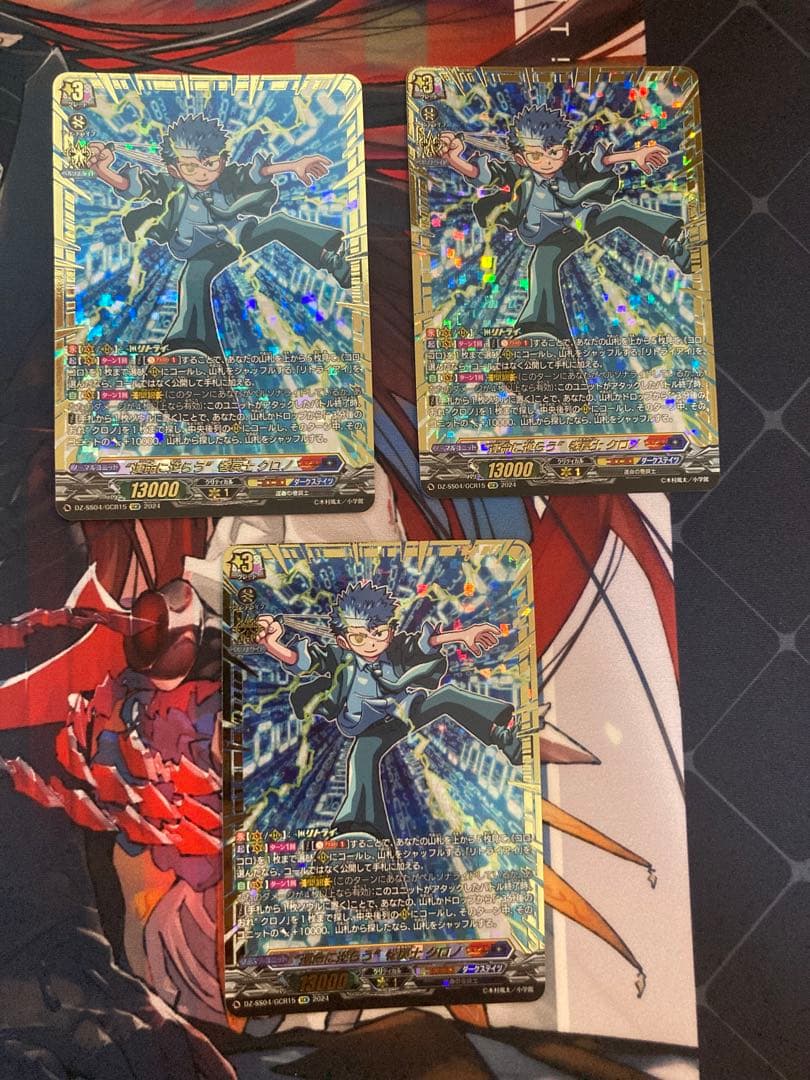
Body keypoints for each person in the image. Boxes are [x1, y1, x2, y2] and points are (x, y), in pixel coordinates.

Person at [257, 580, 521, 841]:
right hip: (370, 727)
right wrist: (272, 645)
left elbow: (427, 643)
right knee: (361, 757)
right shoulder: (340, 658)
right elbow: (303, 661)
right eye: (359, 637)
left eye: (379, 633)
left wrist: (462, 635)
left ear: (390, 631)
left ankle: (503, 735)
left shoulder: (396, 650)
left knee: (447, 696)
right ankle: (362, 830)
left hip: (405, 712)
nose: (371, 643)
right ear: (344, 641)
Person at [88, 113, 351, 359]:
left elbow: (257, 173)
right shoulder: (171, 185)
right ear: (175, 169)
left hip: (236, 238)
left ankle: (333, 261)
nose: (202, 172)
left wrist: (294, 165)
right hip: (201, 252)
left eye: (210, 163)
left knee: (278, 223)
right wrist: (103, 170)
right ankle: (192, 347)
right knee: (192, 280)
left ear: (222, 161)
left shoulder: (227, 178)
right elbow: (134, 186)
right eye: (190, 167)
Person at [439, 103, 691, 343]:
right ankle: (543, 330)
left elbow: (600, 162)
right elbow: (482, 174)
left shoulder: (571, 167)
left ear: (566, 150)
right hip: (549, 239)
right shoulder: (517, 174)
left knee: (621, 210)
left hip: (582, 225)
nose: (547, 161)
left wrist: (634, 155)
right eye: (536, 155)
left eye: (554, 152)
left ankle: (675, 246)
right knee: (542, 264)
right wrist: (454, 159)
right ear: (522, 158)